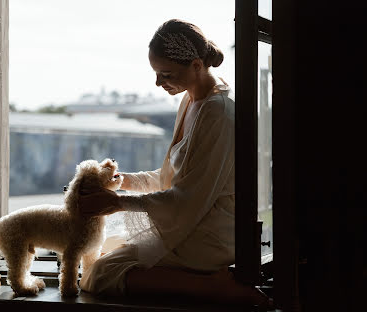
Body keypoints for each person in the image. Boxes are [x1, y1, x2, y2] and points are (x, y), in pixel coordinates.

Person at [78, 19, 273, 308]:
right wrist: (124, 181)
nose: (158, 83)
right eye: (156, 73)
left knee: (101, 273)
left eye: (166, 74)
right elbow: (177, 176)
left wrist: (118, 204)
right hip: (195, 219)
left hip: (212, 232)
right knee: (104, 252)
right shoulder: (191, 102)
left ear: (196, 65)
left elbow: (189, 198)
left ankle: (212, 287)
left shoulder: (218, 114)